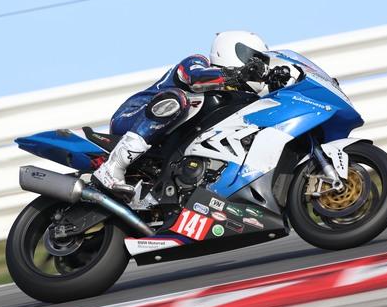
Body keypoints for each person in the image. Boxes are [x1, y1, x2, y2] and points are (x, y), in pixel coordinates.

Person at [93, 31, 292, 194]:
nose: (258, 67)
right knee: (179, 99)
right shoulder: (197, 62)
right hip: (133, 117)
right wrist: (238, 73)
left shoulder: (237, 95)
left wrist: (274, 85)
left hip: (165, 149)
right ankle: (113, 167)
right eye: (254, 59)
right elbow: (196, 78)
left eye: (262, 63)